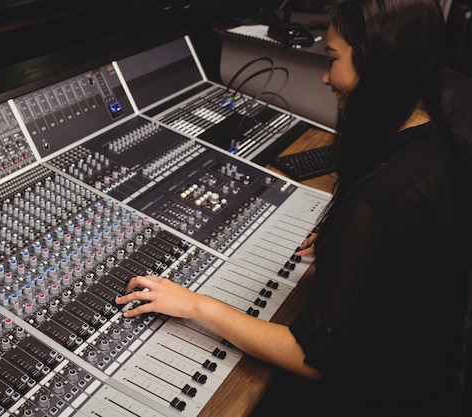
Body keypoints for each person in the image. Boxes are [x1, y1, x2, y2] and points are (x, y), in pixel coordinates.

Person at [115, 0, 472, 416]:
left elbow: (312, 356)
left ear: (379, 64)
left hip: (381, 398)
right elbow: (418, 253)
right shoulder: (451, 146)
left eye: (333, 59)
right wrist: (355, 250)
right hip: (434, 379)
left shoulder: (374, 202)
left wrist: (196, 304)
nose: (325, 76)